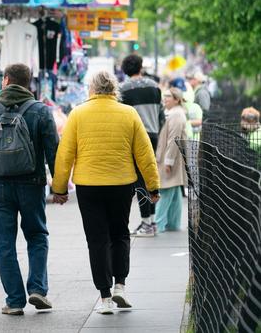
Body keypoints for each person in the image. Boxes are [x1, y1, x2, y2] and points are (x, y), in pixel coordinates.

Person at [52, 71, 160, 315]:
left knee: (97, 240)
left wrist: (59, 189)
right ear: (114, 89)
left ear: (91, 89)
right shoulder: (129, 113)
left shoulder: (78, 114)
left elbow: (65, 154)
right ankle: (120, 285)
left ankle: (105, 298)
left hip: (89, 186)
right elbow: (145, 155)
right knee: (120, 233)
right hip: (122, 184)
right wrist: (152, 187)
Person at [0, 63, 59, 315]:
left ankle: (15, 300)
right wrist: (59, 188)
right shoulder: (41, 111)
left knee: (4, 243)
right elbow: (54, 152)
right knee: (37, 236)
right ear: (28, 83)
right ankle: (38, 289)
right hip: (32, 184)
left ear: (5, 80)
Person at [119, 54, 164, 237]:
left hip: (136, 138)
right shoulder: (154, 86)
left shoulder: (123, 89)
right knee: (151, 177)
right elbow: (161, 113)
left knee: (139, 181)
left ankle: (146, 223)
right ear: (140, 66)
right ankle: (152, 221)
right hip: (153, 135)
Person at [154, 88, 188, 232]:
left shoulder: (176, 115)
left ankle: (158, 224)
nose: (165, 99)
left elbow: (173, 140)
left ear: (177, 99)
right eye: (165, 97)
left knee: (167, 189)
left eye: (168, 97)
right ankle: (173, 223)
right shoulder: (176, 113)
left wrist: (168, 162)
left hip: (171, 157)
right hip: (174, 156)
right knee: (173, 191)